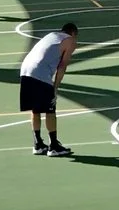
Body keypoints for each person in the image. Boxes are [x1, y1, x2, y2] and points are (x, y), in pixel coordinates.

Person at [19, 21, 80, 156]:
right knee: (50, 109)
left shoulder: (51, 36)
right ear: (73, 33)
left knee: (36, 109)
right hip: (40, 72)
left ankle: (38, 144)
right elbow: (62, 66)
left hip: (25, 70)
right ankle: (53, 146)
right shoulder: (70, 41)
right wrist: (55, 89)